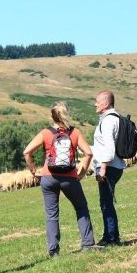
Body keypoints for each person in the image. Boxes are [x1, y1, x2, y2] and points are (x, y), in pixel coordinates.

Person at [23, 101, 100, 256]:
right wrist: (82, 173)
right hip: (70, 178)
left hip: (48, 177)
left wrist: (33, 170)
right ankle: (87, 243)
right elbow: (89, 153)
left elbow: (27, 152)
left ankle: (53, 251)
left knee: (52, 214)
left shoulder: (46, 133)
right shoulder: (75, 133)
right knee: (81, 208)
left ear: (52, 116)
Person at [91, 90, 126, 246]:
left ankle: (111, 238)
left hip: (109, 167)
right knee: (106, 202)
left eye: (97, 101)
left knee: (106, 203)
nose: (95, 104)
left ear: (105, 103)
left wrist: (102, 169)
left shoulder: (107, 121)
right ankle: (109, 235)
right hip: (115, 166)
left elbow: (109, 148)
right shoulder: (115, 118)